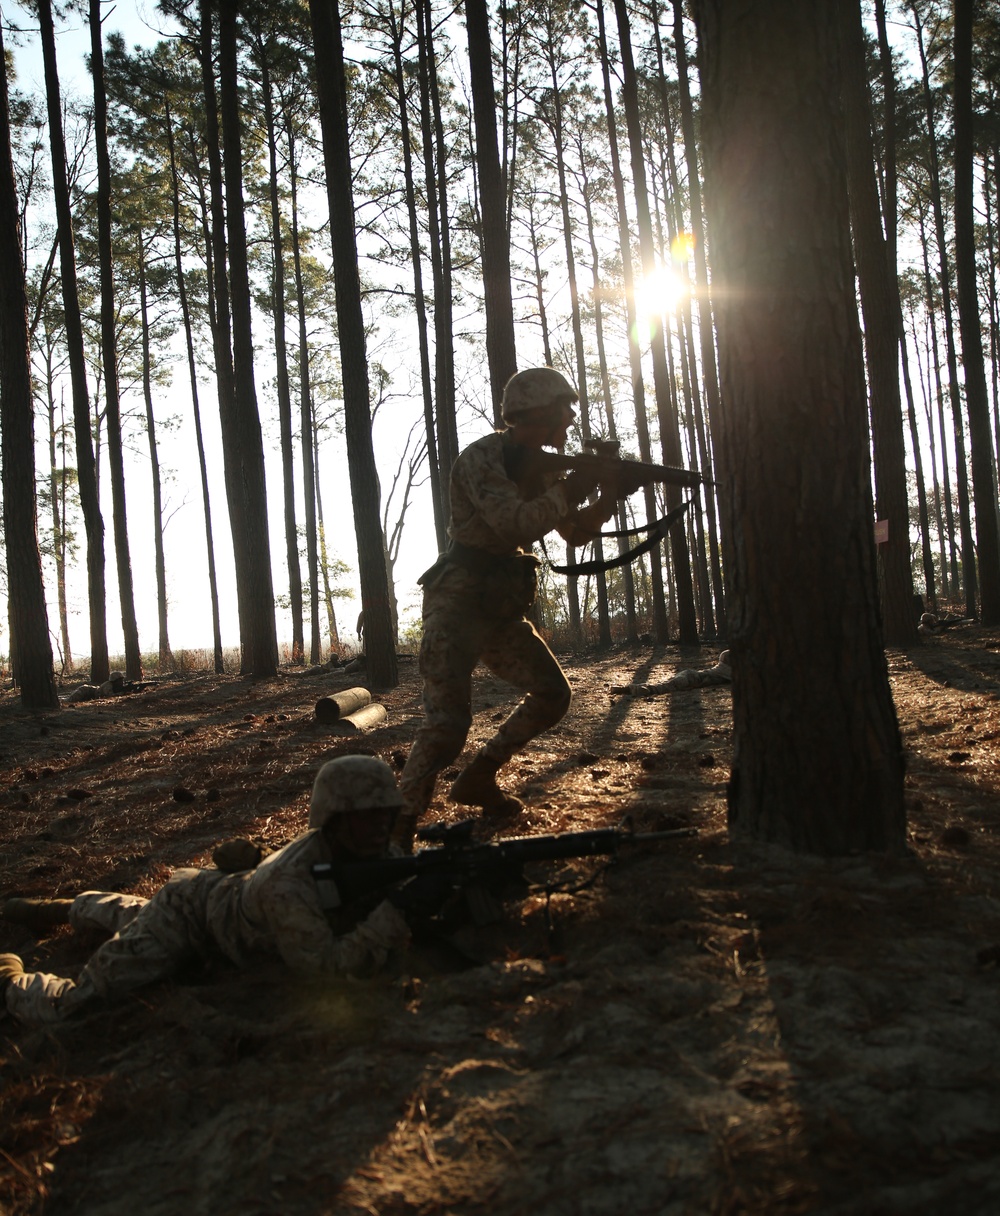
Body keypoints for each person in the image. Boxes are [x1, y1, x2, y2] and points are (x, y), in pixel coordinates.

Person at [0, 755, 410, 1025]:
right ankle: (10, 982)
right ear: (335, 819)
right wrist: (398, 913)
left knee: (139, 915)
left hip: (212, 901)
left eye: (386, 814)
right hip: (188, 920)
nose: (380, 825)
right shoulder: (289, 882)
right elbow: (327, 969)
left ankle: (62, 908)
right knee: (83, 1003)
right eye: (367, 815)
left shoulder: (377, 851)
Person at [394, 366, 618, 851]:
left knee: (553, 695)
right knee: (447, 727)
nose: (570, 421)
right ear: (538, 412)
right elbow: (514, 524)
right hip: (455, 605)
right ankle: (396, 829)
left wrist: (609, 498)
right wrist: (570, 490)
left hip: (498, 608)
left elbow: (574, 535)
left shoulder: (538, 465)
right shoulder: (484, 459)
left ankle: (479, 777)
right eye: (564, 411)